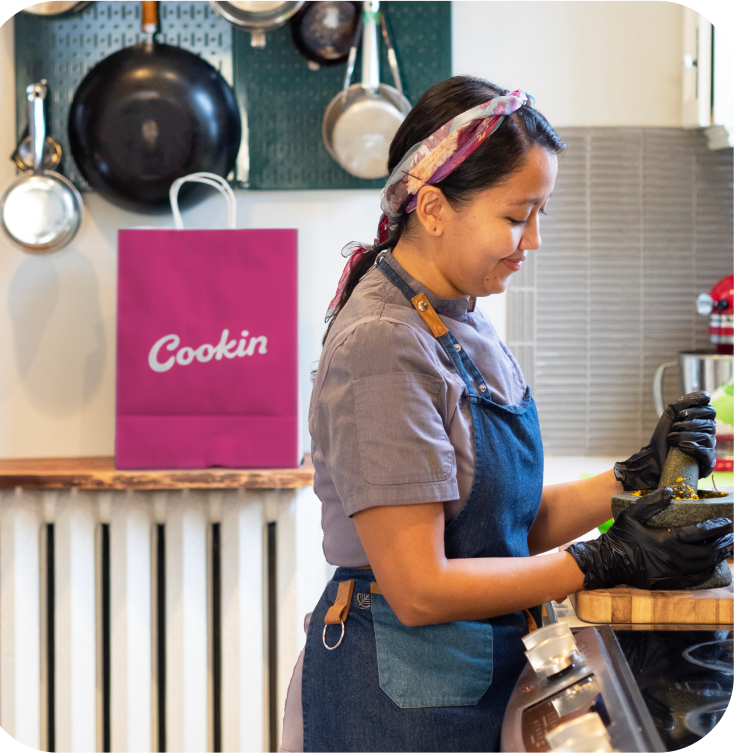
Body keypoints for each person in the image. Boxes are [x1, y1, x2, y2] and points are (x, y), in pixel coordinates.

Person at [279, 76, 733, 753]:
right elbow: (421, 587)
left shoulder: (459, 319)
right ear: (432, 208)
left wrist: (629, 481)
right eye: (518, 215)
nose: (535, 240)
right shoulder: (383, 342)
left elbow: (498, 525)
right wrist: (602, 558)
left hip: (470, 682)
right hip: (398, 708)